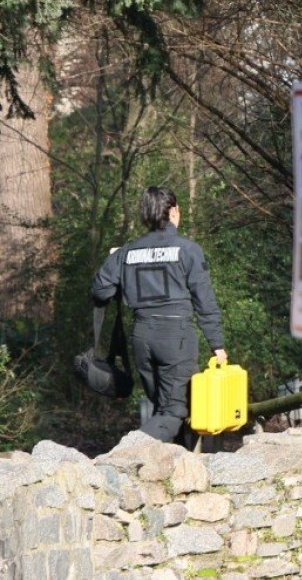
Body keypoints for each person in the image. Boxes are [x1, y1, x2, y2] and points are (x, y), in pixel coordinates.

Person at [90, 187, 226, 444]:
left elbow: (100, 291)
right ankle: (128, 452)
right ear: (174, 211)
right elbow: (205, 301)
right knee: (174, 411)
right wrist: (217, 344)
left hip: (142, 337)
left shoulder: (127, 252)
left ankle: (174, 470)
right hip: (176, 338)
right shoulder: (187, 250)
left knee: (162, 407)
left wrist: (120, 267)